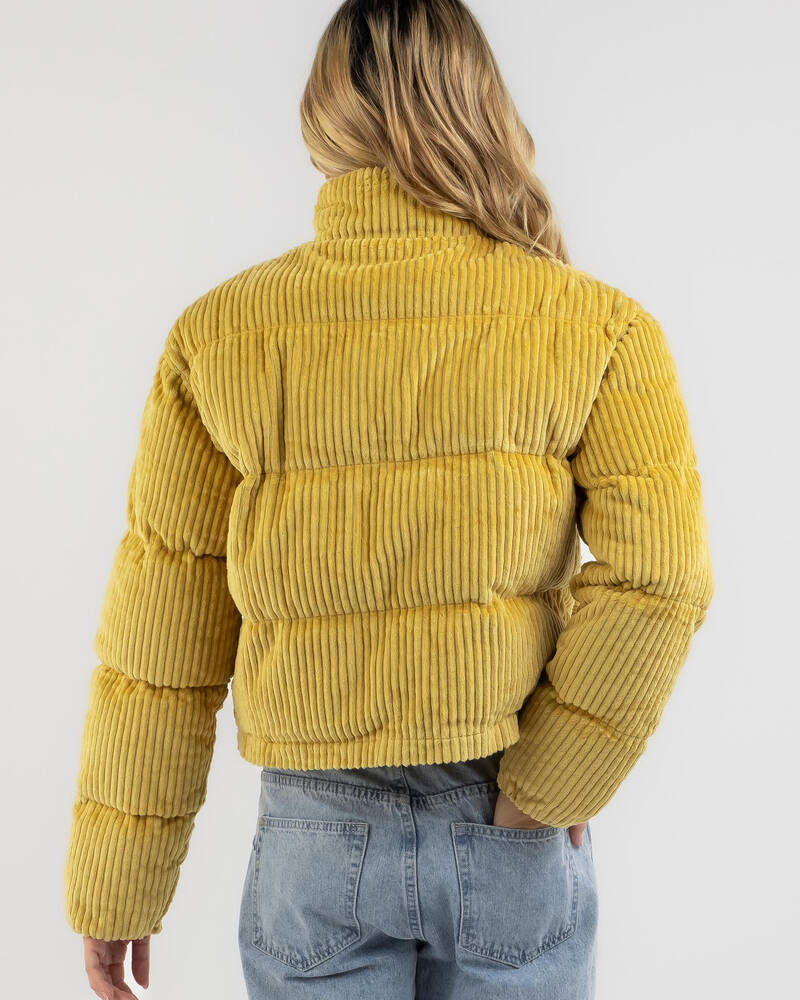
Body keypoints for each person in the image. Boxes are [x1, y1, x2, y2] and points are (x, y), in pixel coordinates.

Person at [64, 1, 715, 998]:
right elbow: (662, 575)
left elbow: (161, 646)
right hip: (509, 817)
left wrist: (117, 886)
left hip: (312, 839)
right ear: (481, 105)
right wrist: (553, 783)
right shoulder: (597, 325)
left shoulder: (220, 335)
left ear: (322, 117)